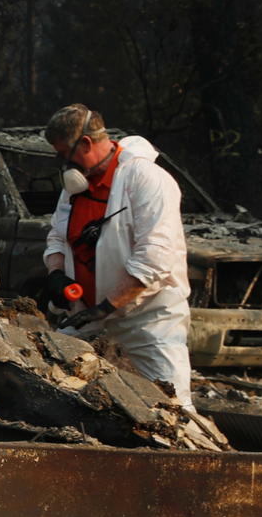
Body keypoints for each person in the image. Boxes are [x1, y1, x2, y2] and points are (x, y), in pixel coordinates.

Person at [38, 104, 194, 407]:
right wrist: (57, 274)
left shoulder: (146, 179)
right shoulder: (76, 186)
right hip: (87, 313)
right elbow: (57, 238)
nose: (64, 165)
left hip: (147, 317)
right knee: (53, 384)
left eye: (64, 155)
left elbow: (155, 259)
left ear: (85, 143)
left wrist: (107, 306)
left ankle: (189, 452)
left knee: (172, 405)